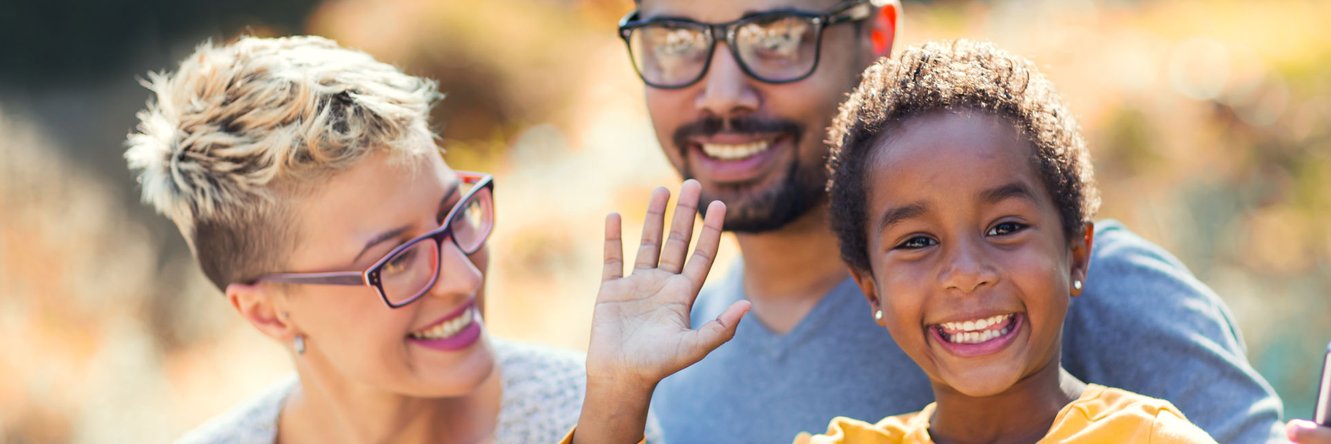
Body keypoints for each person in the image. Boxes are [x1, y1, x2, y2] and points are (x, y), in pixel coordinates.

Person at [616, 0, 1287, 442]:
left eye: (778, 36)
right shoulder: (666, 357)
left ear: (875, 33)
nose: (723, 93)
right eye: (674, 40)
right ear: (869, 286)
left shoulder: (1106, 291)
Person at [124, 35, 648, 443]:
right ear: (267, 312)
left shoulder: (600, 419)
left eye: (454, 213)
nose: (464, 277)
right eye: (396, 260)